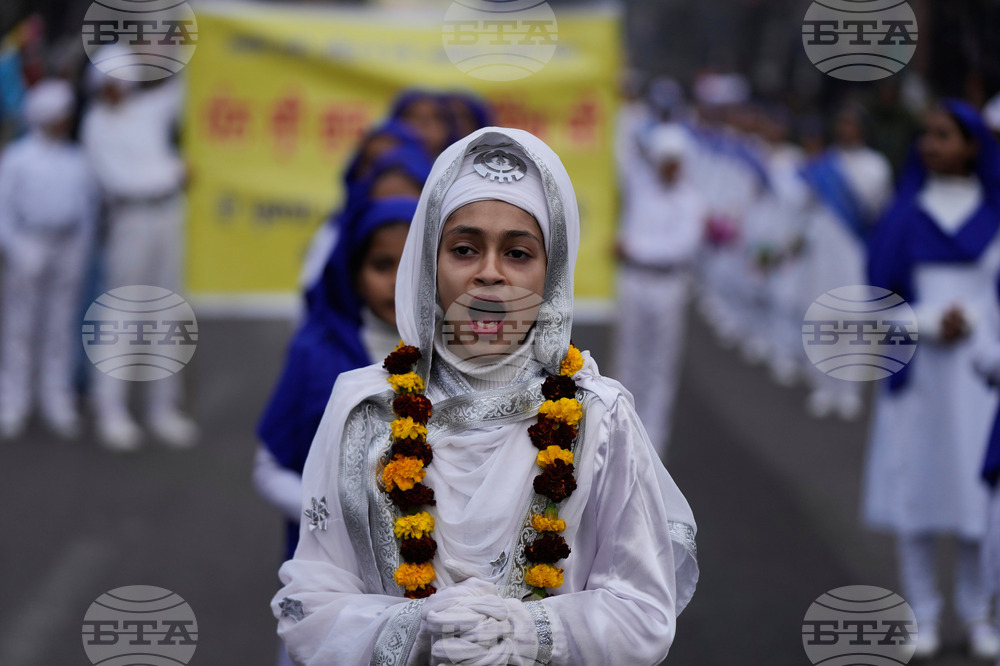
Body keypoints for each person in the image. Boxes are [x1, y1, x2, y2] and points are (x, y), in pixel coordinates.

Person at [271, 127, 698, 665]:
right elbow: (307, 605)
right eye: (464, 249)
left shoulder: (598, 417)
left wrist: (526, 633)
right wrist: (420, 630)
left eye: (518, 253)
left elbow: (643, 611)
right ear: (430, 263)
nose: (490, 274)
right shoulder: (364, 409)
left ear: (552, 273)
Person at [863, 100, 1000, 660]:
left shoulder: (995, 213)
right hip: (919, 371)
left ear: (971, 145)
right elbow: (876, 301)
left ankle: (978, 612)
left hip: (981, 377)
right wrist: (925, 322)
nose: (931, 144)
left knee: (977, 499)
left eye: (944, 134)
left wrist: (974, 323)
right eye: (927, 134)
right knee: (917, 493)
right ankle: (922, 611)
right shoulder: (904, 215)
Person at [256, 197, 417, 666]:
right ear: (352, 271)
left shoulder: (459, 359)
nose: (396, 281)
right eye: (381, 265)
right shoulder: (314, 352)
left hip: (426, 587)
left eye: (410, 263)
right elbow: (267, 468)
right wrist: (341, 512)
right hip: (327, 577)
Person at [80, 64, 197, 451]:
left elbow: (191, 82)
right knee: (122, 313)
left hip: (168, 215)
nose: (118, 86)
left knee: (170, 311)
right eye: (110, 80)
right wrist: (173, 173)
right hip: (130, 219)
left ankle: (163, 408)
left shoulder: (147, 109)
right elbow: (118, 180)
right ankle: (110, 409)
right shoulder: (95, 124)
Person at [0, 78, 98, 439]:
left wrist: (82, 248)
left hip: (66, 243)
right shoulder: (18, 157)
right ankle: (13, 400)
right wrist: (13, 246)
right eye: (60, 115)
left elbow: (86, 207)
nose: (65, 121)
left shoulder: (75, 158)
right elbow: (3, 206)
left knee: (60, 325)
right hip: (30, 241)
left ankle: (56, 399)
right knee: (20, 326)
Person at [613, 123, 706, 459]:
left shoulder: (691, 200)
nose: (669, 167)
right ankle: (621, 433)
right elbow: (618, 147)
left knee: (660, 364)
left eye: (674, 161)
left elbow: (683, 247)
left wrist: (634, 248)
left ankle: (653, 443)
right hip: (635, 281)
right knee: (628, 359)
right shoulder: (641, 188)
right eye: (664, 160)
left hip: (669, 285)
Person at [799, 103, 892, 420]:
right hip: (824, 252)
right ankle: (823, 385)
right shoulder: (823, 164)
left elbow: (879, 212)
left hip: (857, 252)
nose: (846, 129)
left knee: (855, 319)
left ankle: (849, 389)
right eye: (842, 123)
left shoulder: (876, 165)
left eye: (851, 123)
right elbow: (807, 207)